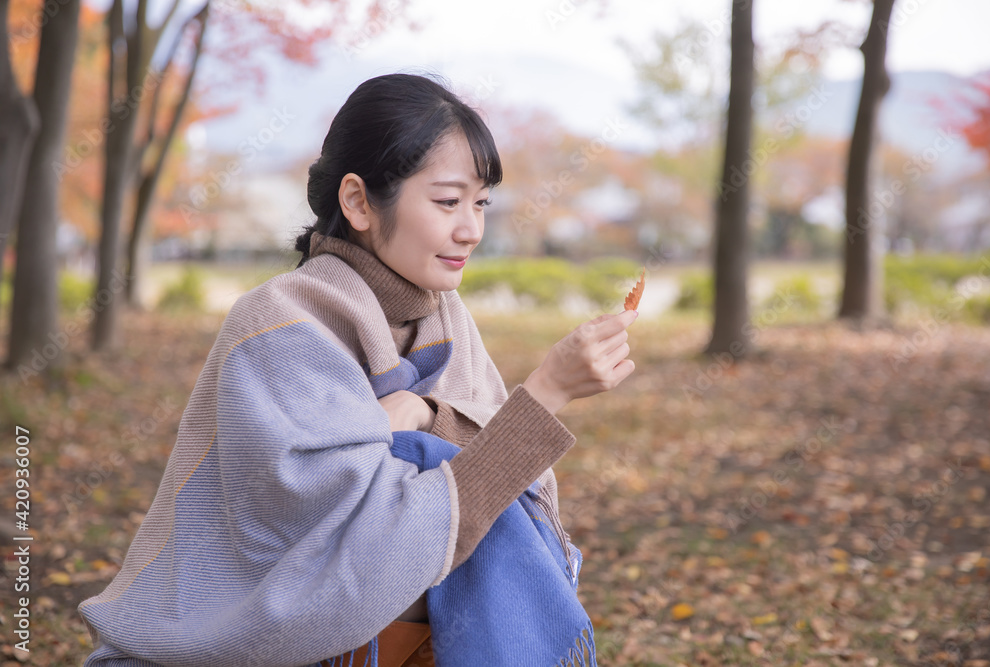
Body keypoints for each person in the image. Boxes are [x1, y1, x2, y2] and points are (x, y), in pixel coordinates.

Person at [77, 72, 637, 667]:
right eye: (447, 201)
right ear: (358, 201)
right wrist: (544, 393)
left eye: (480, 203)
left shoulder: (444, 318)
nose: (471, 229)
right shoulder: (279, 325)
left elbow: (515, 500)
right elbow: (362, 557)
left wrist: (426, 413)